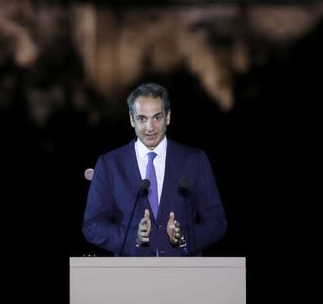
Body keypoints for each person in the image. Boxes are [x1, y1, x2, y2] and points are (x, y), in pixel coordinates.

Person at [83, 82, 227, 256]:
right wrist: (132, 238)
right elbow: (92, 225)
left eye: (157, 117)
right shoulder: (110, 164)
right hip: (130, 276)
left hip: (183, 276)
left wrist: (183, 238)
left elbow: (217, 222)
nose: (149, 127)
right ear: (131, 119)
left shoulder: (195, 160)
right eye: (142, 119)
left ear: (168, 117)